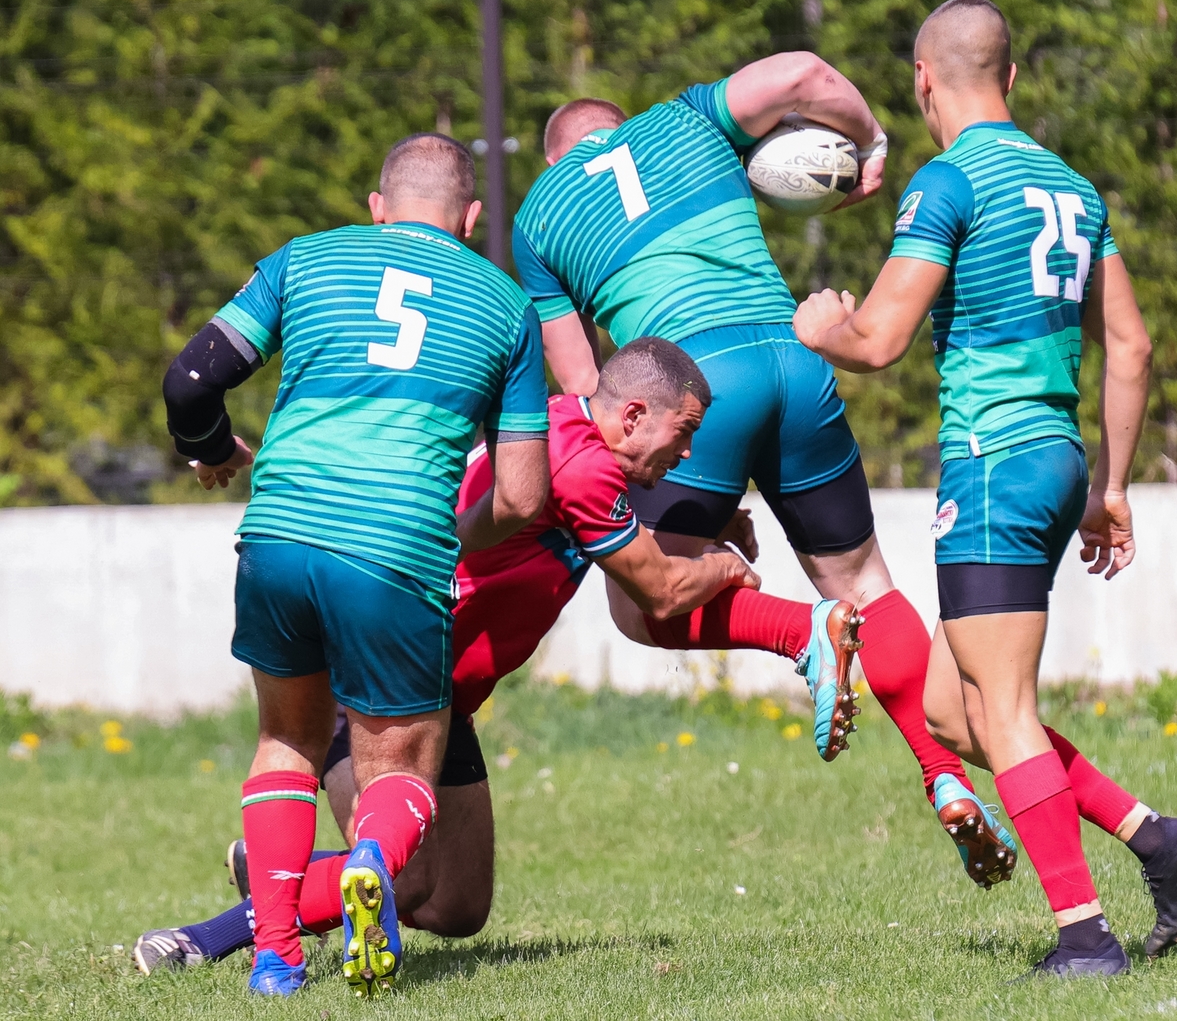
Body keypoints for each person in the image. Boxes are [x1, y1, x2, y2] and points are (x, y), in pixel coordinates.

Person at [137, 339, 864, 968]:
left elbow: (605, 519)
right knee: (402, 881)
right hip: (376, 682)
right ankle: (201, 939)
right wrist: (726, 565)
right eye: (686, 432)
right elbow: (665, 593)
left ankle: (279, 872)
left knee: (456, 907)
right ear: (634, 416)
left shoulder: (559, 430)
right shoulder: (584, 468)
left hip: (441, 698)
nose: (689, 454)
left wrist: (709, 527)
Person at [793, 0, 1177, 977]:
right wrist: (1111, 487)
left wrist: (823, 330)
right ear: (1013, 77)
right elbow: (1130, 345)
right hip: (1056, 460)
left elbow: (880, 338)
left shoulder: (947, 183)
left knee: (1006, 706)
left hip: (992, 463)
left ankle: (1084, 936)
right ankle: (1160, 841)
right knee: (955, 712)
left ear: (922, 82)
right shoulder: (1072, 186)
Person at [512, 51, 1019, 884]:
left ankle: (801, 633)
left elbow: (588, 394)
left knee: (645, 603)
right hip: (795, 361)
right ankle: (945, 776)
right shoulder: (684, 121)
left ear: (553, 159)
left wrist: (687, 501)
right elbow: (804, 73)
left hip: (697, 389)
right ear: (623, 128)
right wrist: (871, 142)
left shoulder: (539, 218)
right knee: (866, 583)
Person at [158, 133, 553, 996]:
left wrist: (215, 449)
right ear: (470, 218)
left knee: (285, 742)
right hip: (394, 552)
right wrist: (445, 534)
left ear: (378, 207)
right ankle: (370, 861)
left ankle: (274, 961)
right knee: (400, 767)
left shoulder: (304, 261)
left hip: (278, 538)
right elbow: (525, 497)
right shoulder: (505, 305)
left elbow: (189, 381)